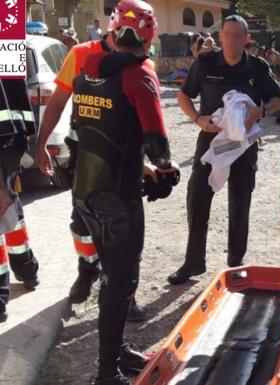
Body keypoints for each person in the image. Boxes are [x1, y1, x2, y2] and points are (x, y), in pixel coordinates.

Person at [70, 1, 179, 383]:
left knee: (111, 276)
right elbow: (159, 149)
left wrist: (142, 166)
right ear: (149, 35)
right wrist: (165, 171)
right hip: (117, 199)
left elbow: (87, 137)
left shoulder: (87, 74)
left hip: (85, 194)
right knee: (121, 283)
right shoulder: (140, 77)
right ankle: (107, 373)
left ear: (113, 32)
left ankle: (115, 352)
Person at [36, 26, 150, 321]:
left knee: (126, 228)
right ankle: (87, 270)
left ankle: (126, 297)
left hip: (124, 160)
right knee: (82, 223)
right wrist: (40, 144)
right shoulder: (81, 53)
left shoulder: (141, 63)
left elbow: (144, 118)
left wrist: (145, 161)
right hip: (86, 155)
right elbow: (58, 102)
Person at [167, 15, 280, 285]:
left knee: (240, 203)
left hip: (244, 145)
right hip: (211, 142)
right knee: (197, 199)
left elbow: (277, 99)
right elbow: (184, 96)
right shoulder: (205, 62)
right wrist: (197, 118)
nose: (231, 39)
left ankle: (235, 263)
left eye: (237, 35)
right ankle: (193, 263)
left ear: (246, 38)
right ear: (221, 37)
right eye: (227, 34)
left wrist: (261, 111)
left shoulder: (257, 66)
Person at [0, 79, 40, 322]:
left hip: (6, 138)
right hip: (13, 136)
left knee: (5, 202)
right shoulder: (10, 39)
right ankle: (27, 269)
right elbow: (17, 82)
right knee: (9, 206)